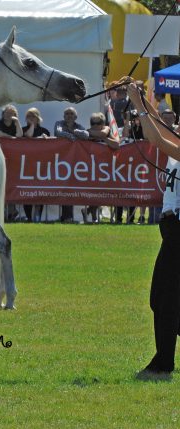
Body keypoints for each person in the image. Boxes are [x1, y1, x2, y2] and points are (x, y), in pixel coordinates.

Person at [127, 78, 180, 380]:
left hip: (179, 230)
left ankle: (163, 362)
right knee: (160, 297)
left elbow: (158, 141)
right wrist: (141, 98)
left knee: (166, 298)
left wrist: (137, 105)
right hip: (172, 228)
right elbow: (161, 127)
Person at [53, 107, 87, 222]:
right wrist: (72, 136)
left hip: (75, 161)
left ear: (76, 117)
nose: (69, 116)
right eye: (66, 114)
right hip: (60, 160)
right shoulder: (59, 123)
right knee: (63, 186)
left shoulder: (78, 126)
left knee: (72, 187)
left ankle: (69, 216)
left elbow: (86, 135)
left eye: (71, 114)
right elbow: (58, 132)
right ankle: (66, 216)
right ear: (63, 116)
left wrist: (74, 132)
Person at [21, 107, 50, 221]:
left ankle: (38, 216)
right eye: (29, 116)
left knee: (40, 189)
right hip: (26, 164)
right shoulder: (22, 129)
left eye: (33, 116)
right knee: (26, 190)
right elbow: (28, 136)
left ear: (38, 118)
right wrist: (32, 125)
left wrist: (45, 139)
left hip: (41, 165)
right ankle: (28, 217)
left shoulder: (45, 131)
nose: (31, 118)